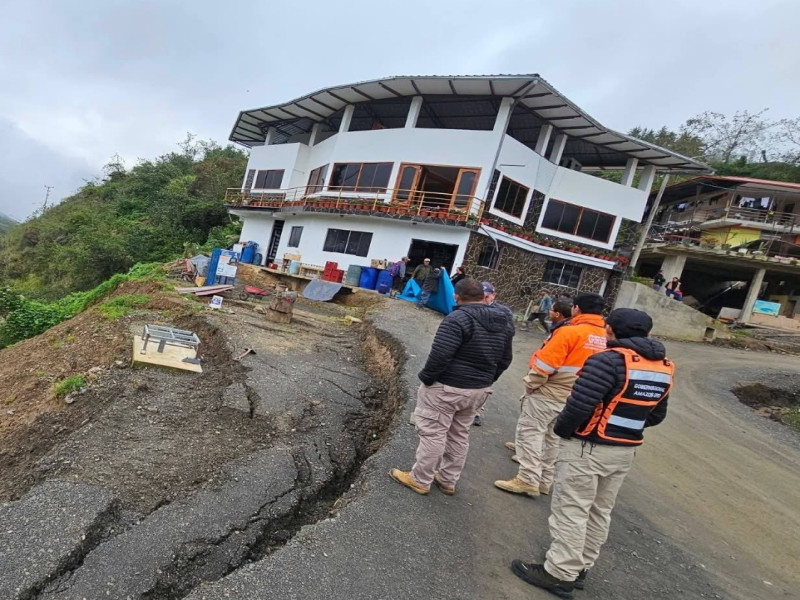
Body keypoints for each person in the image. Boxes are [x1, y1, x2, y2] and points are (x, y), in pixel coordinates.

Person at [510, 308, 673, 597]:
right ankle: (581, 566)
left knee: (572, 509)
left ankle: (559, 573)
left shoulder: (606, 361)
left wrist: (564, 433)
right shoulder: (662, 366)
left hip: (589, 447)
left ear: (610, 330)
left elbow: (579, 405)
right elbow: (657, 415)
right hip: (625, 449)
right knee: (600, 511)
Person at [389, 278, 515, 495]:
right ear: (484, 297)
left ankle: (420, 479)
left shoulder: (457, 319)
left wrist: (427, 378)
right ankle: (448, 480)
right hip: (479, 390)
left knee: (433, 433)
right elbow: (505, 359)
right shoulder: (504, 321)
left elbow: (440, 355)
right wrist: (487, 380)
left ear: (456, 296)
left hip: (448, 387)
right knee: (459, 434)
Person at [495, 293, 607, 499]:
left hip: (550, 393)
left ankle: (528, 479)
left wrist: (531, 384)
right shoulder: (604, 338)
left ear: (577, 309)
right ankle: (545, 481)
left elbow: (545, 365)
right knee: (553, 438)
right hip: (576, 397)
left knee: (530, 433)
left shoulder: (569, 332)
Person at [473, 281, 515, 427]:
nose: (484, 299)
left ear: (493, 296)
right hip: (472, 355)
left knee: (483, 387)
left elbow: (508, 339)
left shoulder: (504, 313)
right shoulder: (469, 308)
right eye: (480, 296)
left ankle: (477, 412)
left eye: (486, 296)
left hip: (491, 357)